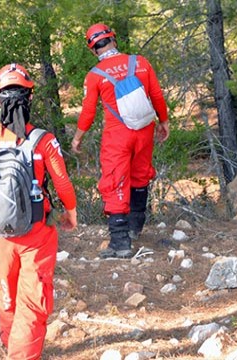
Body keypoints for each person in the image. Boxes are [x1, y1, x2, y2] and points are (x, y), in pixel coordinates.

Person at [0, 63, 78, 359]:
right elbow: (61, 181)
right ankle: (22, 354)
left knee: (7, 293)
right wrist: (70, 212)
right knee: (33, 298)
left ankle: (12, 342)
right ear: (30, 97)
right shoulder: (43, 140)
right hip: (36, 232)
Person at [71, 23, 170, 259]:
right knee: (140, 174)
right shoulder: (141, 63)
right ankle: (135, 228)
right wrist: (164, 122)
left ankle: (120, 242)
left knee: (114, 181)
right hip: (145, 130)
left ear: (93, 49)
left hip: (117, 135)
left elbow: (88, 113)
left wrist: (77, 138)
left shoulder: (95, 75)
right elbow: (156, 95)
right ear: (113, 40)